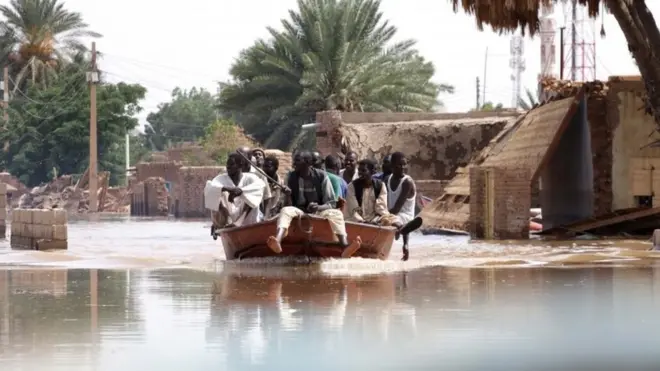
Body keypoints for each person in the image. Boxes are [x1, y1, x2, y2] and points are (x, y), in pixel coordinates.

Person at [267, 151, 361, 257]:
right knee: (285, 211)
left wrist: (319, 207)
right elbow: (288, 205)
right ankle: (278, 240)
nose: (294, 164)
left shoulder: (321, 176)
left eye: (297, 161)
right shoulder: (290, 177)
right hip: (299, 210)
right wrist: (288, 195)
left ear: (307, 163)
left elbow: (331, 203)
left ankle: (344, 246)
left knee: (336, 214)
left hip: (320, 211)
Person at [204, 153, 266, 234]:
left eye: (231, 164)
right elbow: (209, 188)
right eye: (227, 165)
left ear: (240, 165)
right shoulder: (221, 179)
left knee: (252, 195)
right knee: (217, 192)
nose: (228, 167)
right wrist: (228, 189)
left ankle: (239, 222)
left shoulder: (251, 178)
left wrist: (241, 191)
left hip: (247, 218)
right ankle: (228, 222)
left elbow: (259, 186)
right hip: (226, 216)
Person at [387, 152, 423, 261]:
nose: (403, 167)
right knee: (386, 219)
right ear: (392, 166)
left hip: (405, 216)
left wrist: (384, 215)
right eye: (399, 165)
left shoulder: (407, 182)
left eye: (404, 164)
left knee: (391, 219)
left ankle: (401, 233)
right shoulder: (388, 179)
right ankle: (401, 233)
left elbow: (397, 209)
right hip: (393, 215)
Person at [345, 159, 398, 226]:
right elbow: (353, 209)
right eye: (359, 170)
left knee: (394, 219)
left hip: (375, 220)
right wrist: (362, 221)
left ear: (372, 172)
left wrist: (374, 221)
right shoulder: (352, 186)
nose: (360, 173)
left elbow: (381, 208)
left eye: (363, 170)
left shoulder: (380, 186)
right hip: (356, 220)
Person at [262, 155, 284, 219]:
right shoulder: (260, 182)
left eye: (267, 167)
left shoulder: (282, 184)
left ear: (276, 168)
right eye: (263, 166)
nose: (264, 169)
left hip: (275, 216)